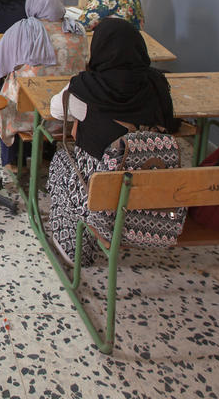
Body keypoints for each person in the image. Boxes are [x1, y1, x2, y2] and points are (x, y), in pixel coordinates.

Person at [47, 17, 178, 264]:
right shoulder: (157, 84)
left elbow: (56, 109)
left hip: (101, 203)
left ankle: (74, 248)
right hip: (151, 200)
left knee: (61, 161)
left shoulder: (88, 88)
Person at [0, 0, 89, 171]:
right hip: (67, 113)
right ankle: (48, 155)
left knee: (10, 93)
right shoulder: (78, 30)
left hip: (26, 114)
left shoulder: (23, 30)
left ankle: (10, 161)